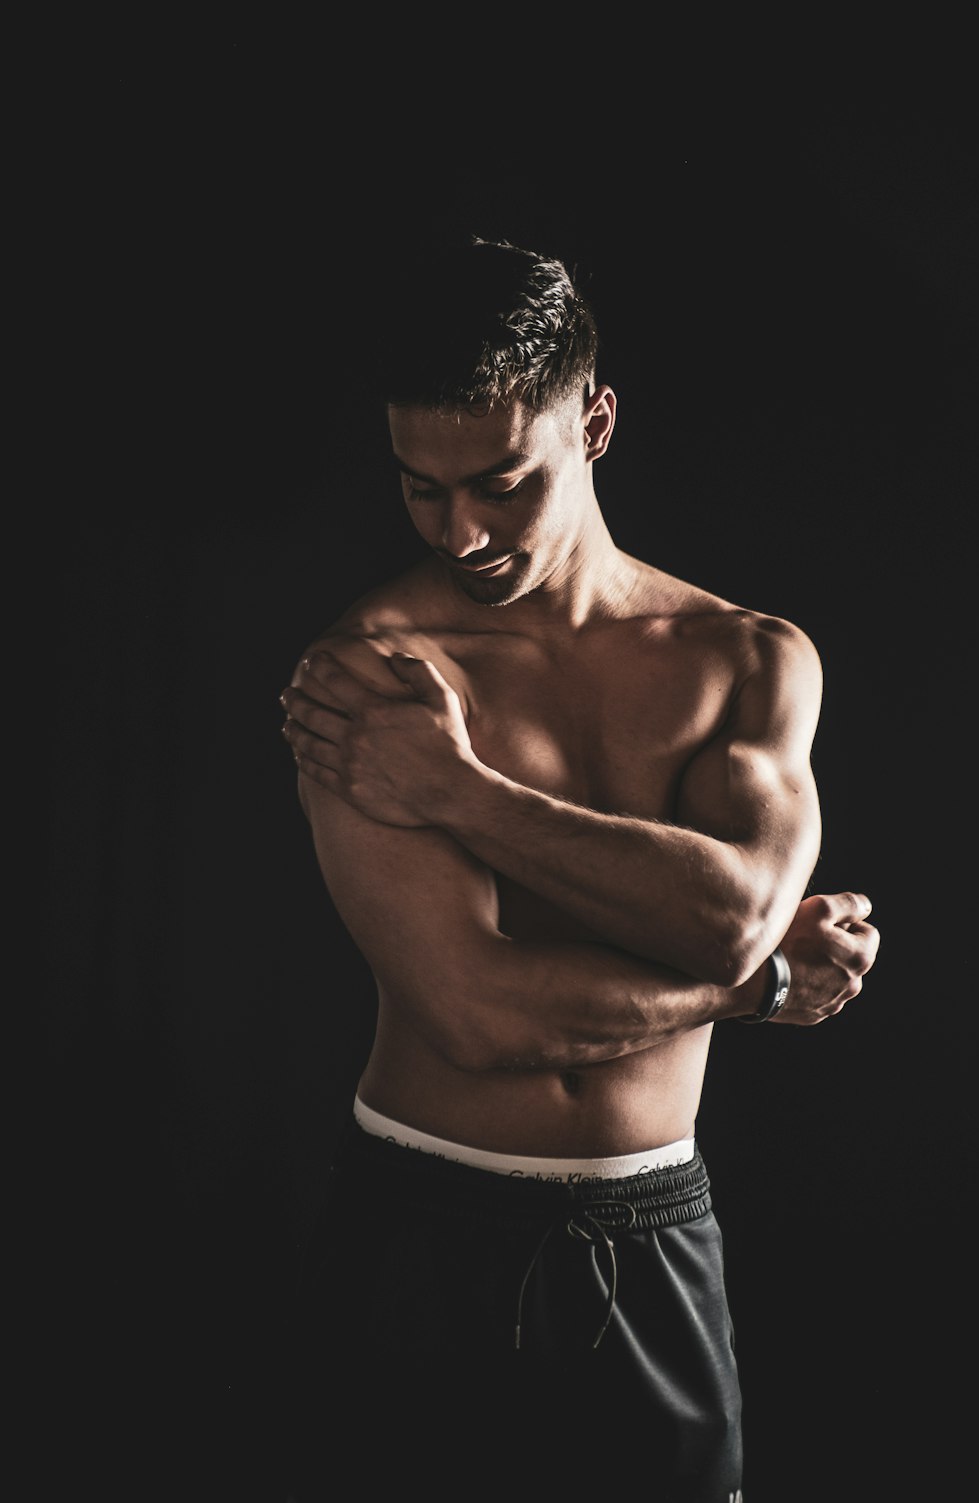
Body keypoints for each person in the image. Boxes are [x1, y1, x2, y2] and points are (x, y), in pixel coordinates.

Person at [276, 236, 880, 1501]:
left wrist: (458, 791)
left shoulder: (746, 660)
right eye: (421, 490)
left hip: (653, 1231)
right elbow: (481, 1015)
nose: (463, 531)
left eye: (501, 482)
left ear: (593, 423)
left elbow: (726, 919)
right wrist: (760, 992)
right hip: (419, 1228)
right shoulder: (374, 672)